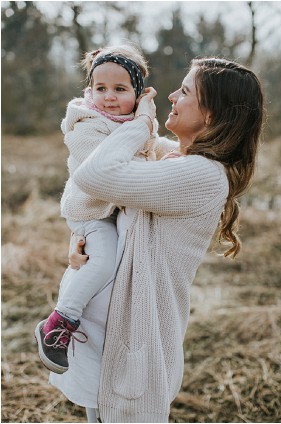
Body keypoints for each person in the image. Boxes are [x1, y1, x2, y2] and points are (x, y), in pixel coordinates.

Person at [46, 57, 264, 423]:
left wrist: (142, 120)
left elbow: (98, 173)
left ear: (211, 114)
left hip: (134, 343)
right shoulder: (175, 157)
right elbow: (107, 179)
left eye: (186, 90)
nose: (172, 95)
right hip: (104, 336)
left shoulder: (202, 176)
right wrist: (81, 232)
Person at [36, 44, 177, 376]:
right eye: (100, 88)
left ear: (138, 92)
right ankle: (59, 322)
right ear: (89, 90)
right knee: (101, 262)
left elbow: (153, 146)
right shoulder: (86, 124)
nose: (109, 97)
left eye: (119, 89)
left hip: (112, 211)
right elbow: (106, 167)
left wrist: (183, 150)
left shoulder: (135, 121)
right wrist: (142, 121)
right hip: (90, 211)